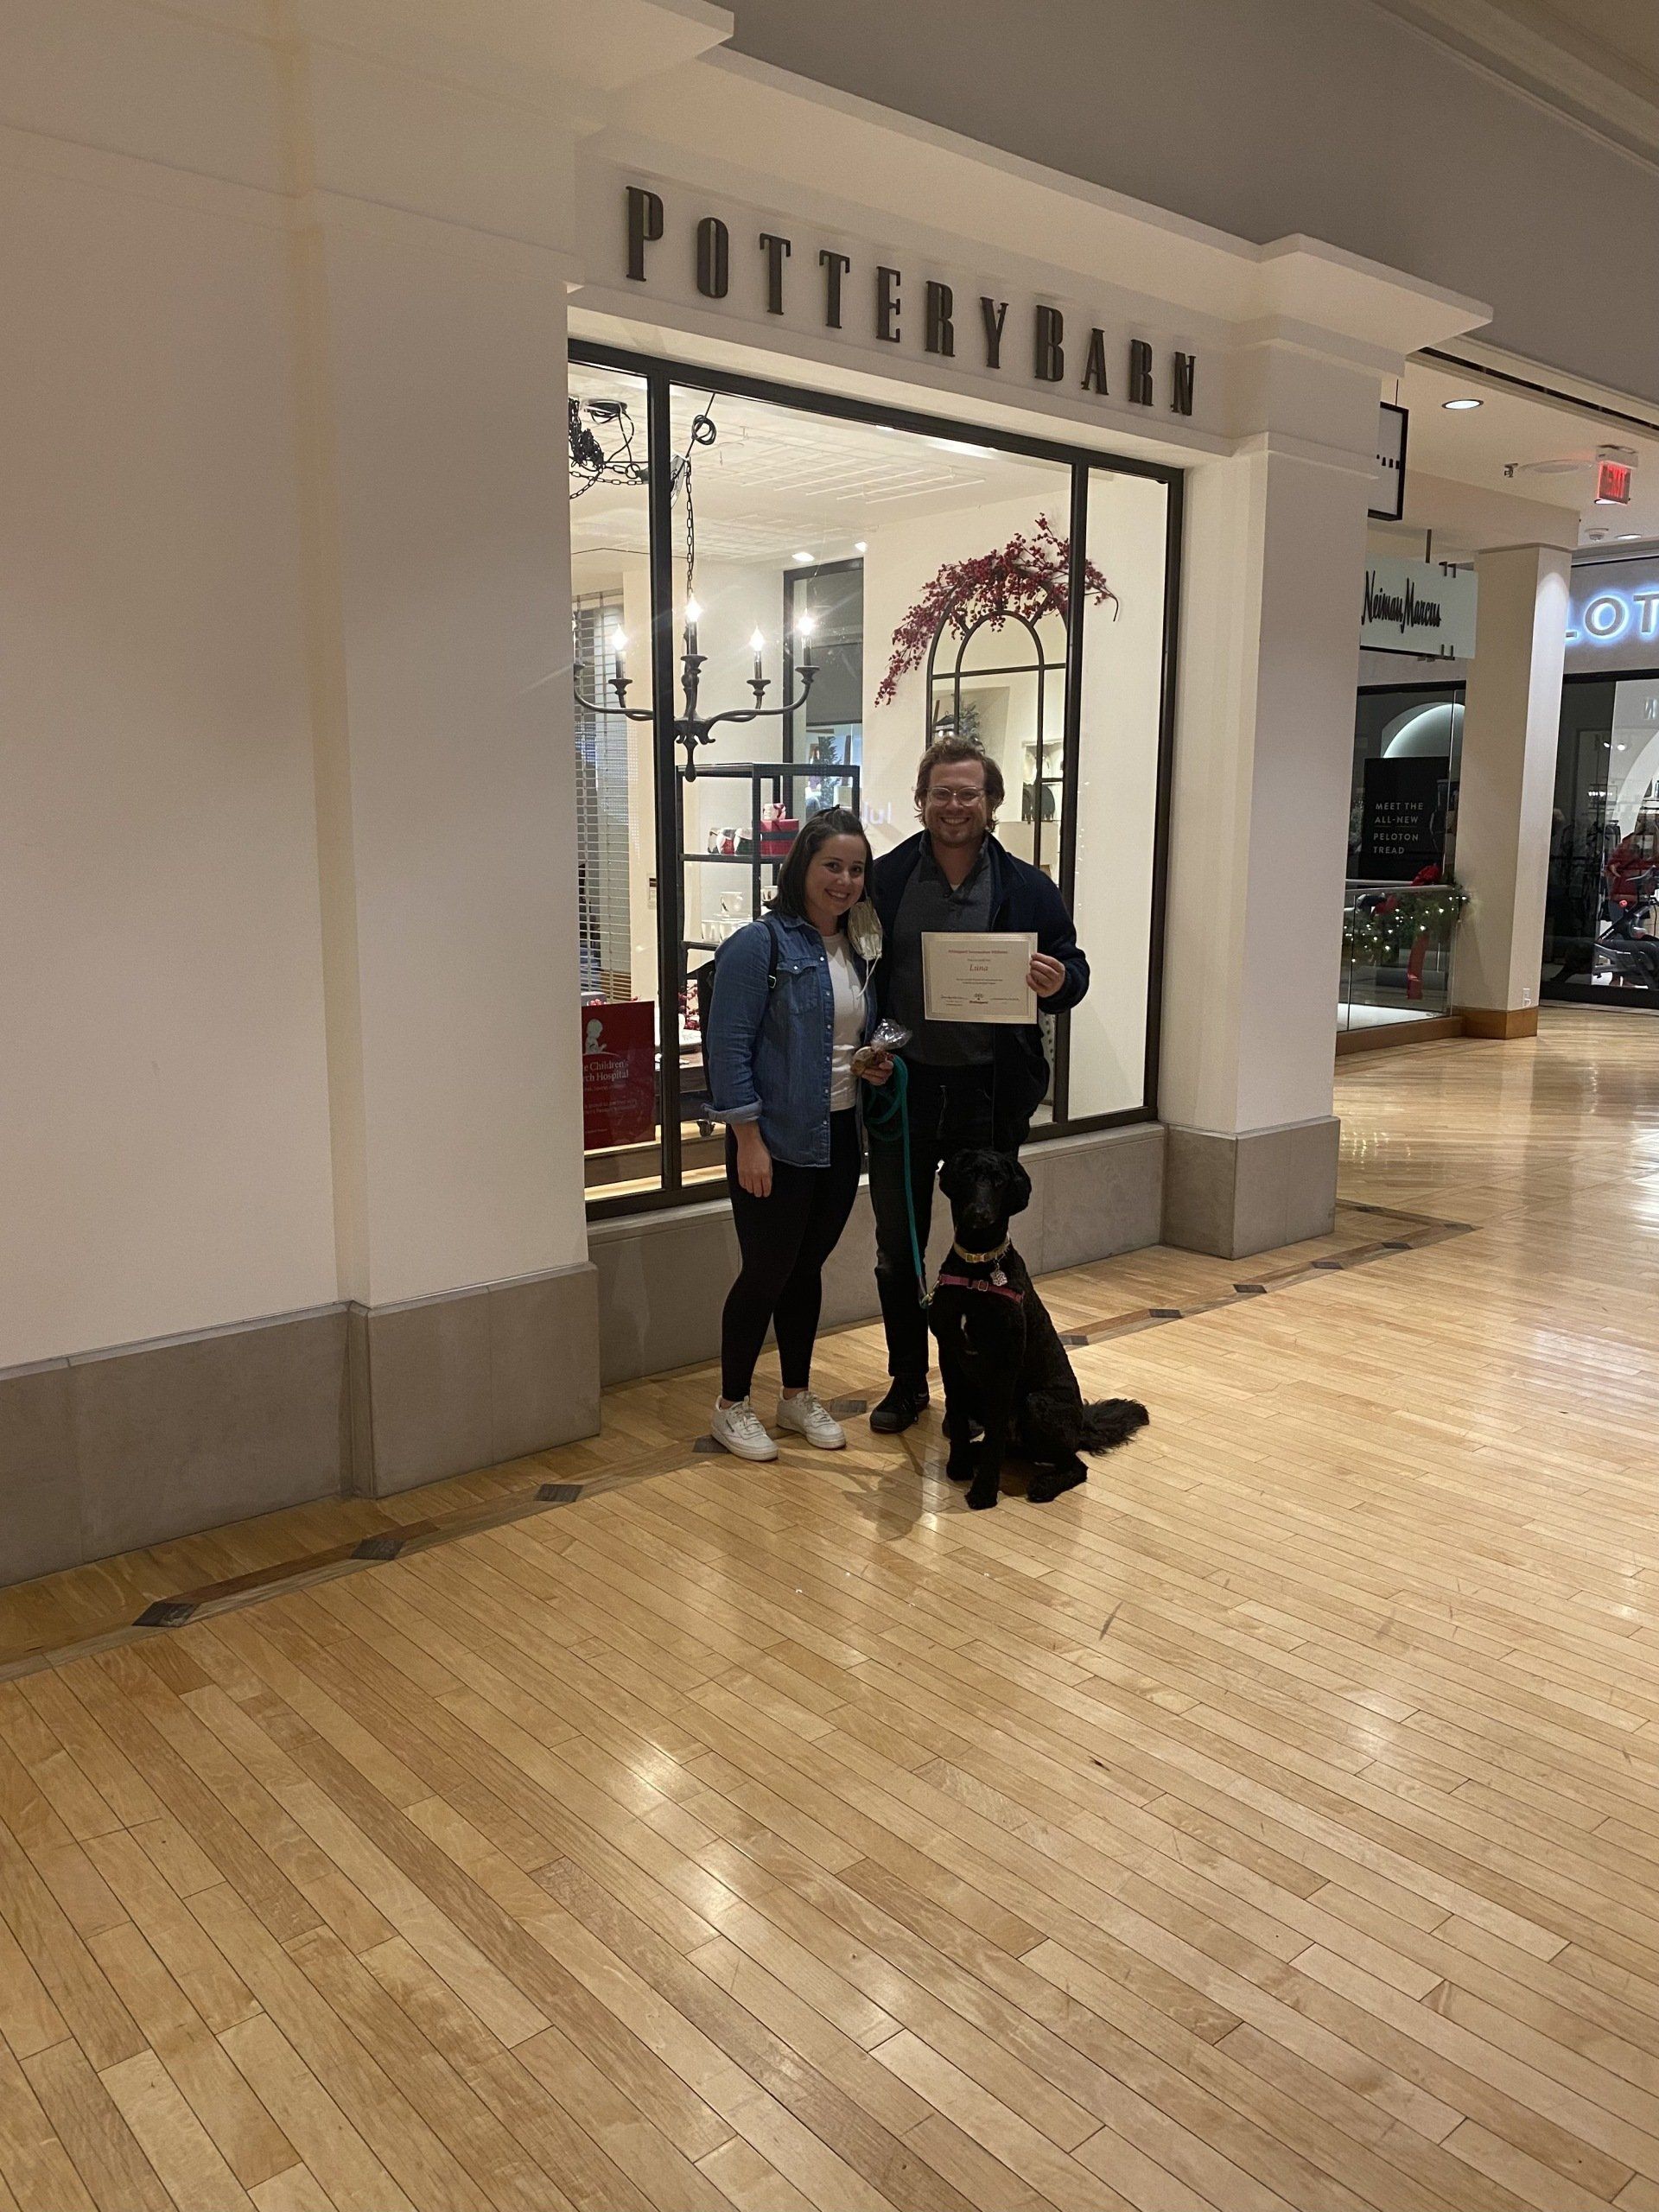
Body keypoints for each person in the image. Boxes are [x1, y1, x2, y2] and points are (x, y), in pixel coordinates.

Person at [866, 736, 1089, 1433]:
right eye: (942, 793)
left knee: (985, 1249)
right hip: (905, 1089)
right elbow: (862, 972)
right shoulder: (886, 879)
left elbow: (1073, 966)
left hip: (989, 1098)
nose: (954, 805)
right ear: (921, 801)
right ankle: (908, 1382)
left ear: (992, 802)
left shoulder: (1027, 886)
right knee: (898, 1248)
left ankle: (983, 1385)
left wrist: (1059, 981)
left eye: (968, 793)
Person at [705, 807, 893, 1461]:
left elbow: (840, 1042)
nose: (844, 881)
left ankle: (794, 1395)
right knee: (765, 1272)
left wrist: (871, 1064)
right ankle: (731, 1406)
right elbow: (727, 1048)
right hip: (775, 1138)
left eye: (856, 869)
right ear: (802, 868)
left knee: (805, 1269)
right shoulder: (759, 945)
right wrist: (748, 1141)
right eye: (831, 866)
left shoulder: (860, 947)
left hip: (840, 1133)